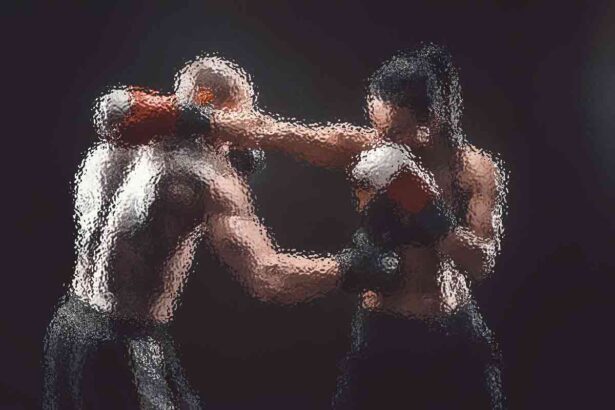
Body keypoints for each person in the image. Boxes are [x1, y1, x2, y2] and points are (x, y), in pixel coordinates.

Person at [43, 56, 399, 409]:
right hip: (126, 344)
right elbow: (268, 277)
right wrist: (352, 267)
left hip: (68, 328)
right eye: (239, 117)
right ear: (209, 107)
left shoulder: (111, 146)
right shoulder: (207, 178)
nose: (241, 132)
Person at [209, 44, 508, 409]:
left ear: (430, 124)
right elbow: (271, 130)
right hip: (383, 332)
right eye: (378, 128)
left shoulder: (474, 171)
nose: (382, 142)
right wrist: (186, 117)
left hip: (453, 331)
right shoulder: (361, 148)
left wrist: (424, 206)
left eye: (395, 132)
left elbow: (481, 261)